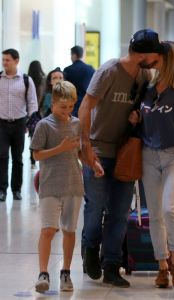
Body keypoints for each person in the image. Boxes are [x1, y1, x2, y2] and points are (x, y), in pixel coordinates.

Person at [79, 28, 165, 288]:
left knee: (119, 213)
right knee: (95, 209)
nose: (156, 58)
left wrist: (138, 116)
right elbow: (85, 106)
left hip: (126, 154)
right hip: (98, 150)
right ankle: (90, 249)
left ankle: (112, 265)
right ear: (142, 54)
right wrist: (86, 147)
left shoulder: (144, 76)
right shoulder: (108, 71)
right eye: (154, 53)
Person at [130, 41, 174, 288]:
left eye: (158, 56)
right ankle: (161, 265)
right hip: (149, 155)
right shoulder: (148, 88)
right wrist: (136, 116)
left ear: (169, 59)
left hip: (173, 155)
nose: (153, 58)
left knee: (170, 208)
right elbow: (140, 115)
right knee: (155, 214)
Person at [30, 81, 100, 293]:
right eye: (63, 107)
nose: (67, 111)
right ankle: (43, 272)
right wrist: (59, 148)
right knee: (49, 229)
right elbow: (36, 154)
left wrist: (93, 163)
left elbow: (78, 152)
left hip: (73, 185)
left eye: (71, 106)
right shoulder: (44, 125)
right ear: (53, 104)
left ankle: (66, 272)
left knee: (69, 231)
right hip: (50, 185)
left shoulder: (77, 124)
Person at [0, 48, 38, 201]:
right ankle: (2, 190)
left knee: (18, 158)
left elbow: (32, 102)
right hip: (1, 124)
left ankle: (16, 190)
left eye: (7, 60)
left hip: (19, 124)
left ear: (16, 61)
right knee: (1, 156)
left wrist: (30, 122)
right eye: (3, 60)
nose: (4, 63)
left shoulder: (26, 80)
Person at [63, 45, 95, 117]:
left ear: (74, 55)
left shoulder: (68, 70)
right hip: (87, 104)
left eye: (71, 55)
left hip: (72, 105)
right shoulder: (90, 69)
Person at [28, 60, 46, 168]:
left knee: (33, 137)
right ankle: (42, 158)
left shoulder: (28, 80)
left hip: (32, 114)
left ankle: (32, 161)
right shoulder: (43, 81)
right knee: (44, 136)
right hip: (42, 113)